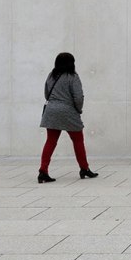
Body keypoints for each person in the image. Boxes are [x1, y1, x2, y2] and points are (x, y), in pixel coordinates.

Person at [38, 52, 97, 183]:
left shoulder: (51, 75)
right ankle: (84, 169)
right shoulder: (73, 76)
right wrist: (78, 109)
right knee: (78, 140)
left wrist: (54, 102)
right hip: (68, 110)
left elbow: (46, 93)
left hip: (51, 110)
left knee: (50, 141)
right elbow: (78, 97)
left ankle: (43, 171)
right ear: (72, 63)